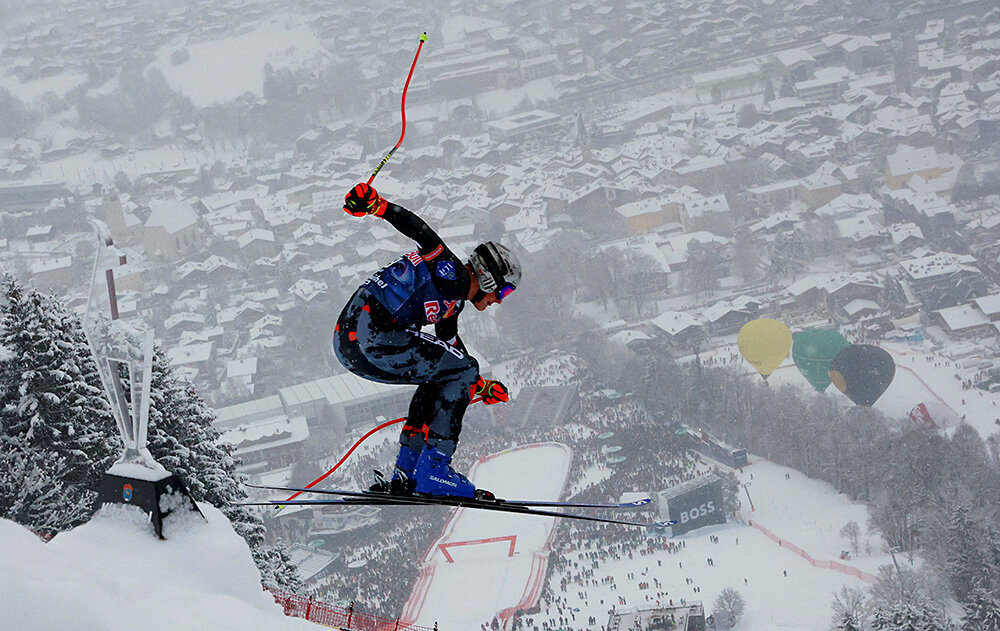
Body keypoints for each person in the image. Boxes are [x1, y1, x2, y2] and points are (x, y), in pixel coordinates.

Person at [333, 182, 521, 498]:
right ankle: (435, 468)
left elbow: (449, 348)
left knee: (443, 376)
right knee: (461, 370)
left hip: (351, 343)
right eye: (502, 291)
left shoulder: (454, 298)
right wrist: (378, 205)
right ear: (487, 278)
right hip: (373, 335)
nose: (499, 300)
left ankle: (405, 474)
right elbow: (421, 232)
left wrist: (478, 385)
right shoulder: (453, 274)